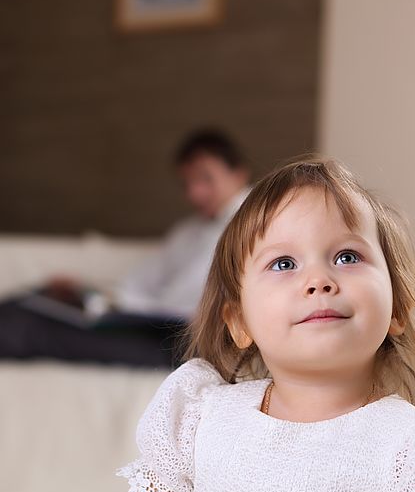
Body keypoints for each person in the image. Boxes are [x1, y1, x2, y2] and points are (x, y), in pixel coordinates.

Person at [99, 156, 415, 492]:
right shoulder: (201, 422)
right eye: (284, 264)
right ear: (239, 322)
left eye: (347, 257)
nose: (319, 280)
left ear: (396, 310)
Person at [0, 128, 252, 368]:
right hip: (149, 325)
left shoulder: (255, 224)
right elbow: (139, 286)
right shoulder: (187, 231)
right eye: (187, 183)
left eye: (206, 178)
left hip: (185, 344)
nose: (195, 193)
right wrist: (87, 292)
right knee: (31, 303)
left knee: (31, 329)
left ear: (238, 174)